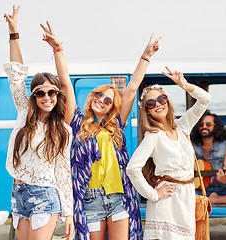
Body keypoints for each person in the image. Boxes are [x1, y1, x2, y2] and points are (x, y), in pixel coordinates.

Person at [69, 34, 161, 240]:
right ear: (92, 97)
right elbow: (66, 86)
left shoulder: (116, 127)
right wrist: (58, 51)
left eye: (108, 100)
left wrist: (146, 57)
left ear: (112, 108)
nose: (102, 100)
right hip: (90, 199)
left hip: (118, 197)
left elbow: (130, 90)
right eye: (99, 95)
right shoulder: (77, 123)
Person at [4, 6, 75, 240]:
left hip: (45, 194)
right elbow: (16, 77)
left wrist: (69, 214)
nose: (47, 97)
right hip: (19, 193)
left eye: (51, 93)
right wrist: (14, 33)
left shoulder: (63, 128)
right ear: (33, 96)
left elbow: (63, 171)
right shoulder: (24, 112)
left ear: (57, 96)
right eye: (40, 93)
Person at [126, 68, 211, 240]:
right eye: (151, 103)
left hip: (186, 197)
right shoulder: (153, 135)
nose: (157, 104)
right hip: (166, 201)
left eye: (161, 99)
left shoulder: (182, 126)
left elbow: (205, 100)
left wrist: (184, 85)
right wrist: (153, 194)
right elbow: (132, 168)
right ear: (147, 111)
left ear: (168, 102)